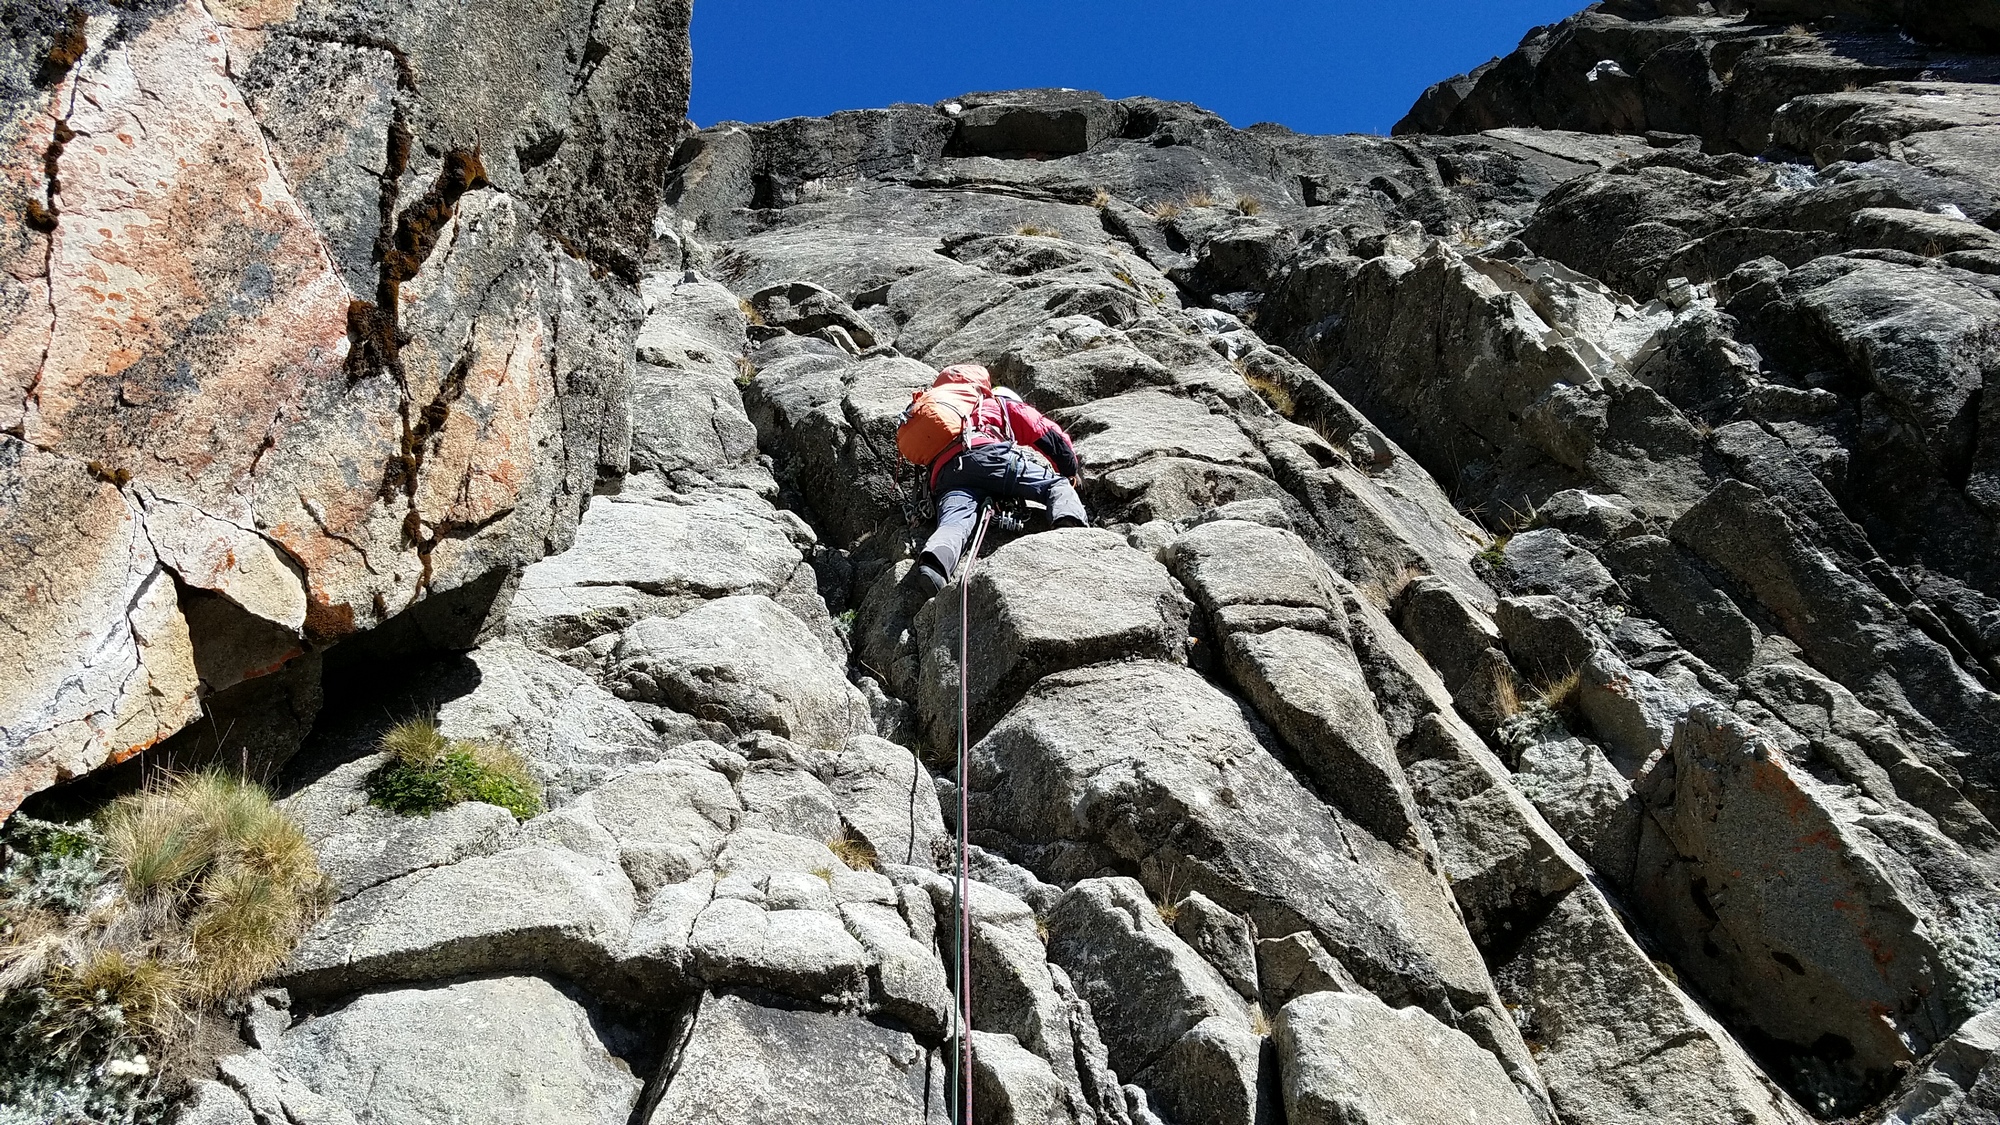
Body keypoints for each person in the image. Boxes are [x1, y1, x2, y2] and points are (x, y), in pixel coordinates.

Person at [900, 364, 1087, 592]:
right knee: (1056, 485)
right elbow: (1046, 433)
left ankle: (935, 565)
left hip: (947, 475)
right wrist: (1069, 470)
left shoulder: (940, 405)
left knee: (954, 522)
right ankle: (1069, 523)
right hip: (989, 457)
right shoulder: (995, 402)